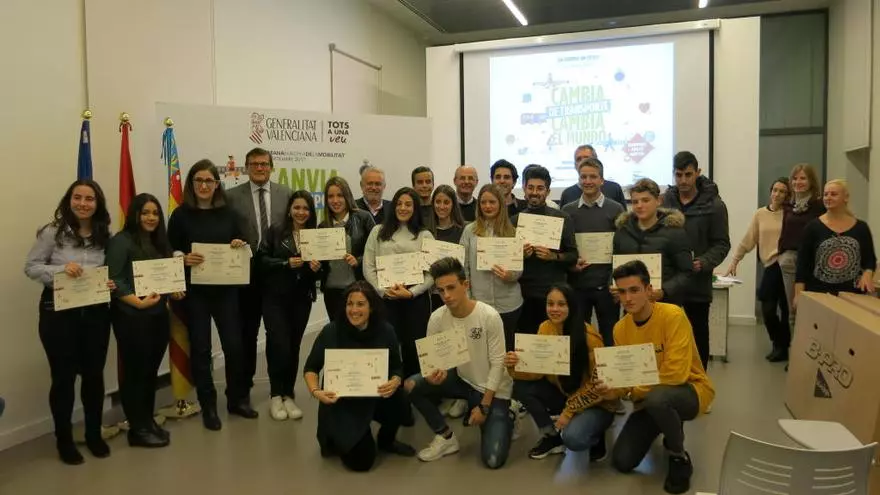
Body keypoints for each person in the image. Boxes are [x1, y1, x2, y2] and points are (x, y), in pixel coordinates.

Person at [24, 179, 114, 464]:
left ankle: (93, 434)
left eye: (90, 199)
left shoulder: (104, 235)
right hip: (58, 314)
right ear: (69, 200)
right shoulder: (52, 233)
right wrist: (61, 270)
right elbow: (31, 267)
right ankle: (64, 440)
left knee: (94, 376)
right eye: (78, 197)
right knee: (63, 379)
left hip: (95, 313)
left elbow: (108, 270)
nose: (83, 203)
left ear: (97, 204)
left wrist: (109, 283)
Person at [609, 260, 715, 495]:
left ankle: (679, 456)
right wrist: (613, 389)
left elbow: (676, 374)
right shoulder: (620, 329)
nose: (628, 298)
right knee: (622, 461)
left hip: (690, 389)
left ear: (649, 290)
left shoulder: (673, 315)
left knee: (659, 399)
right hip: (650, 398)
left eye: (634, 290)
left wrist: (635, 391)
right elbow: (625, 377)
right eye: (622, 292)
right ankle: (667, 423)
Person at [168, 159, 254, 430]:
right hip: (196, 293)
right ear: (191, 184)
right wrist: (182, 257)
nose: (204, 185)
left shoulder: (230, 213)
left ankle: (236, 400)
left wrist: (240, 245)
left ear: (217, 184)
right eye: (199, 180)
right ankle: (208, 406)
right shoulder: (180, 215)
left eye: (209, 181)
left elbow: (248, 247)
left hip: (226, 291)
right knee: (201, 349)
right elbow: (170, 248)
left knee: (234, 346)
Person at [406, 258, 514, 468]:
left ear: (466, 285)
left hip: (493, 390)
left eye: (451, 288)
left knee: (493, 460)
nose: (446, 295)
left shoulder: (489, 316)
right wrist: (433, 376)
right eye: (440, 290)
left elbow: (498, 364)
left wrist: (484, 407)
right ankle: (445, 437)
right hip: (462, 379)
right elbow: (431, 364)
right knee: (412, 385)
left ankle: (510, 413)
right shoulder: (437, 318)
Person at [303, 281, 416, 472]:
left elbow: (397, 367)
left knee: (400, 398)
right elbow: (311, 368)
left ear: (371, 307)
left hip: (374, 394)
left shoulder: (385, 330)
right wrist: (316, 392)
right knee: (362, 463)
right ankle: (336, 435)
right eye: (350, 304)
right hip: (343, 401)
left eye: (360, 304)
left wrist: (395, 380)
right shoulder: (331, 331)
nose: (354, 310)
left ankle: (386, 440)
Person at [504, 284, 617, 461]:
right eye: (550, 304)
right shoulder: (545, 328)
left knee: (574, 438)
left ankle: (596, 433)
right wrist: (515, 365)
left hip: (597, 403)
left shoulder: (589, 337)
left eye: (561, 304)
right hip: (565, 393)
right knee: (522, 387)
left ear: (572, 306)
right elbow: (537, 373)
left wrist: (568, 412)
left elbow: (598, 386)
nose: (554, 309)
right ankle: (551, 436)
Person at [106, 193, 180, 448]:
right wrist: (138, 302)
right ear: (135, 214)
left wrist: (173, 289)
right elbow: (115, 279)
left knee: (149, 372)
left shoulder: (159, 241)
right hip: (131, 316)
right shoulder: (121, 241)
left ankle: (147, 421)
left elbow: (165, 275)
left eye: (155, 213)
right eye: (146, 212)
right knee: (135, 372)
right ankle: (137, 429)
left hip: (157, 315)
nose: (151, 217)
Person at [225, 147, 293, 411]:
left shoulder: (286, 194)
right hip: (246, 277)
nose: (260, 168)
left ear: (271, 167)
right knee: (246, 335)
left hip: (278, 275)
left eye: (264, 164)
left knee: (277, 335)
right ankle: (242, 391)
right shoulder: (231, 197)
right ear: (246, 167)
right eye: (254, 164)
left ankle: (281, 389)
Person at [662, 152, 730, 369]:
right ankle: (670, 377)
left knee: (698, 334)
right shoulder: (665, 202)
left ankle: (700, 381)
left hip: (697, 282)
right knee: (667, 334)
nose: (683, 180)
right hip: (669, 281)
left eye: (688, 174)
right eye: (678, 175)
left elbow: (722, 244)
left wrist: (703, 262)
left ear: (698, 173)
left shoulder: (715, 205)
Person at [258, 191, 322, 421]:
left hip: (301, 299)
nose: (301, 212)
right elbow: (261, 261)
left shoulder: (315, 235)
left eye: (306, 208)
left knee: (294, 346)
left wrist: (316, 269)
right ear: (289, 210)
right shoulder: (276, 231)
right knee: (279, 344)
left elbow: (322, 270)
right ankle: (275, 395)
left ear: (311, 212)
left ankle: (288, 394)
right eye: (297, 207)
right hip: (275, 297)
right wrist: (286, 263)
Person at [363, 187, 435, 379]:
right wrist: (382, 291)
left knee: (414, 347)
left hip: (415, 300)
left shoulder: (425, 235)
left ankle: (412, 387)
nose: (403, 208)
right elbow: (368, 266)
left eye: (408, 204)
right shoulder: (378, 232)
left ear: (415, 208)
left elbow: (432, 273)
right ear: (393, 206)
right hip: (386, 299)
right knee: (387, 345)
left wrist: (412, 292)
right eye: (399, 204)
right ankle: (390, 387)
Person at [725, 178, 791, 362]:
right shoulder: (760, 214)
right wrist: (735, 261)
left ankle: (783, 347)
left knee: (786, 310)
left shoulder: (790, 214)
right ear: (770, 192)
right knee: (768, 309)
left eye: (782, 191)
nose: (777, 194)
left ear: (788, 195)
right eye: (775, 190)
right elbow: (749, 239)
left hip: (787, 266)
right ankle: (778, 342)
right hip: (770, 266)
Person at [562, 157, 625, 346]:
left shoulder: (616, 209)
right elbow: (565, 248)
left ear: (602, 180)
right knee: (579, 337)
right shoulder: (568, 211)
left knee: (610, 336)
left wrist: (615, 281)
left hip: (607, 287)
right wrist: (572, 265)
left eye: (593, 177)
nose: (588, 181)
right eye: (583, 177)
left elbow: (621, 248)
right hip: (578, 286)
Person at [513, 165, 578, 336]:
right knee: (527, 341)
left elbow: (573, 255)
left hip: (553, 295)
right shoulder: (515, 221)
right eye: (530, 187)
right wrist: (520, 254)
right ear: (524, 189)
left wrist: (553, 256)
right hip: (523, 294)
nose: (535, 192)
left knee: (555, 342)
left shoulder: (562, 218)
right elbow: (508, 259)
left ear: (548, 191)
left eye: (540, 188)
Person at [461, 184, 523, 352]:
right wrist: (468, 298)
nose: (487, 206)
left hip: (509, 304)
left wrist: (510, 275)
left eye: (492, 202)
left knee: (507, 351)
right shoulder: (470, 231)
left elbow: (519, 270)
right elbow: (464, 267)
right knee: (481, 352)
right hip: (479, 304)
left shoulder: (513, 232)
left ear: (500, 204)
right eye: (483, 202)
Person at [794, 179, 876, 305]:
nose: (828, 198)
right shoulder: (812, 228)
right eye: (826, 194)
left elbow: (870, 259)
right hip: (819, 294)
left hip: (851, 294)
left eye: (833, 194)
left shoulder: (861, 228)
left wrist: (868, 273)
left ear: (846, 197)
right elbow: (802, 265)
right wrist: (798, 294)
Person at [613, 178, 693, 306]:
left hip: (665, 305)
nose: (639, 206)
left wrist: (664, 291)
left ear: (658, 201)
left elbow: (686, 272)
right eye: (635, 202)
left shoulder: (675, 232)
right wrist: (612, 284)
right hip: (632, 306)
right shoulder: (622, 232)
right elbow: (614, 266)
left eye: (645, 200)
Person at [318, 176, 376, 321]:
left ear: (347, 196)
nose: (335, 200)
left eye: (340, 195)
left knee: (360, 329)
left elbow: (378, 251)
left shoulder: (364, 218)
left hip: (358, 288)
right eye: (331, 196)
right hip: (331, 291)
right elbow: (322, 262)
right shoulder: (323, 226)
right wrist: (315, 264)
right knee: (337, 329)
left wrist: (358, 260)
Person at [778, 163, 824, 320]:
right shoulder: (789, 205)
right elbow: (784, 232)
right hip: (790, 261)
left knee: (810, 310)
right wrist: (781, 254)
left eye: (803, 178)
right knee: (793, 309)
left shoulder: (819, 206)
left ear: (811, 181)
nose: (798, 182)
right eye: (795, 178)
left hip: (812, 262)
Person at [559, 145, 626, 206]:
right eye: (578, 159)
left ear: (596, 161)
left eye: (587, 158)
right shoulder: (567, 194)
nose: (582, 162)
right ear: (575, 165)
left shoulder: (614, 189)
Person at [412, 166, 435, 230]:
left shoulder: (441, 208)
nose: (424, 185)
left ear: (433, 185)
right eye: (420, 182)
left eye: (428, 182)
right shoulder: (409, 210)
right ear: (413, 186)